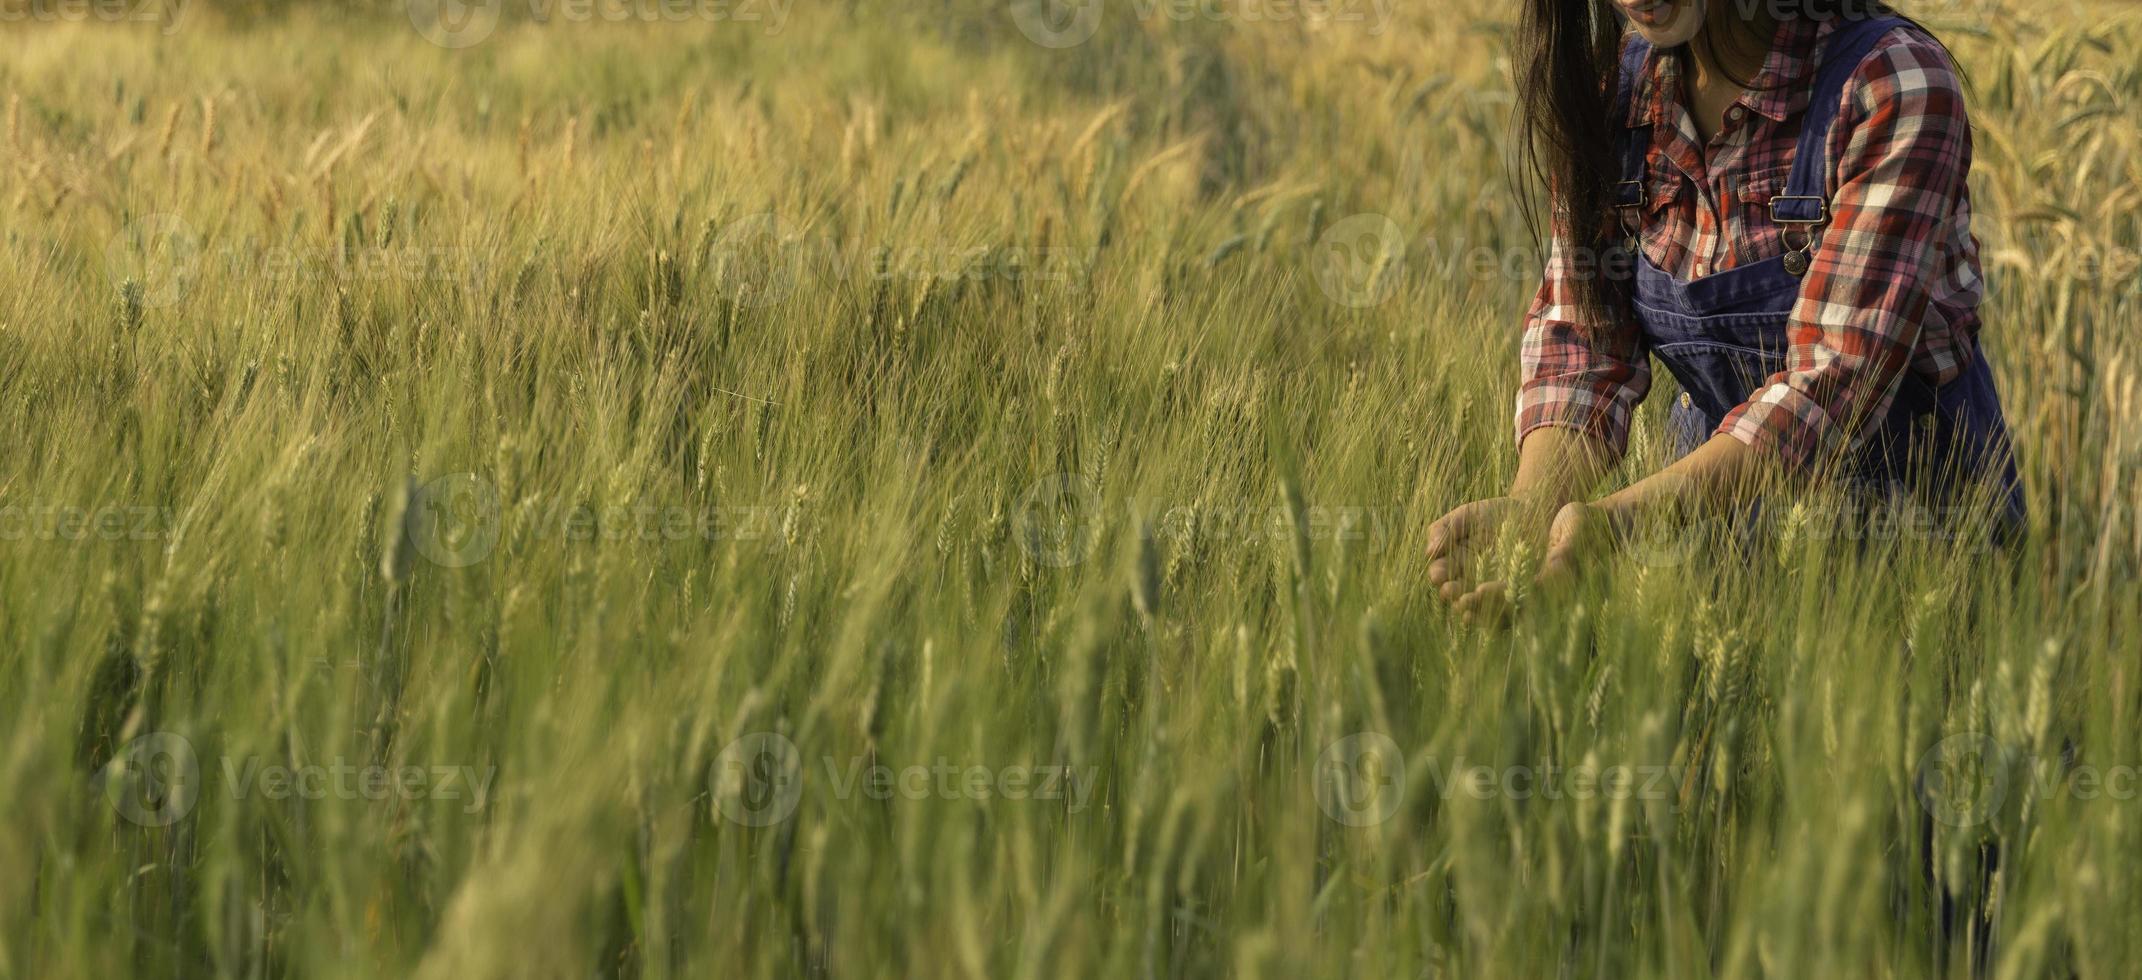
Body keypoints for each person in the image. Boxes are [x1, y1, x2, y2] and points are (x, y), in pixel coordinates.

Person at [1428, 0, 2026, 619]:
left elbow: (1834, 378)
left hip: (1919, 557)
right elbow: (1582, 341)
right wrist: (1533, 509)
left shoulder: (1889, 85)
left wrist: (1616, 526)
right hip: (1708, 552)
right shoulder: (1617, 97)